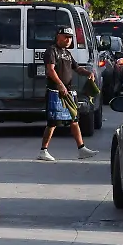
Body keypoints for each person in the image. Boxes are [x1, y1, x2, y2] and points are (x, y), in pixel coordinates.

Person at [40, 27, 98, 162]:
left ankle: (81, 149)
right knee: (53, 122)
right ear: (58, 37)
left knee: (74, 119)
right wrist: (60, 84)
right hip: (55, 91)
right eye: (65, 37)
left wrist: (88, 73)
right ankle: (43, 150)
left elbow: (76, 68)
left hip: (68, 91)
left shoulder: (67, 53)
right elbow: (50, 70)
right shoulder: (51, 51)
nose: (68, 40)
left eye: (70, 37)